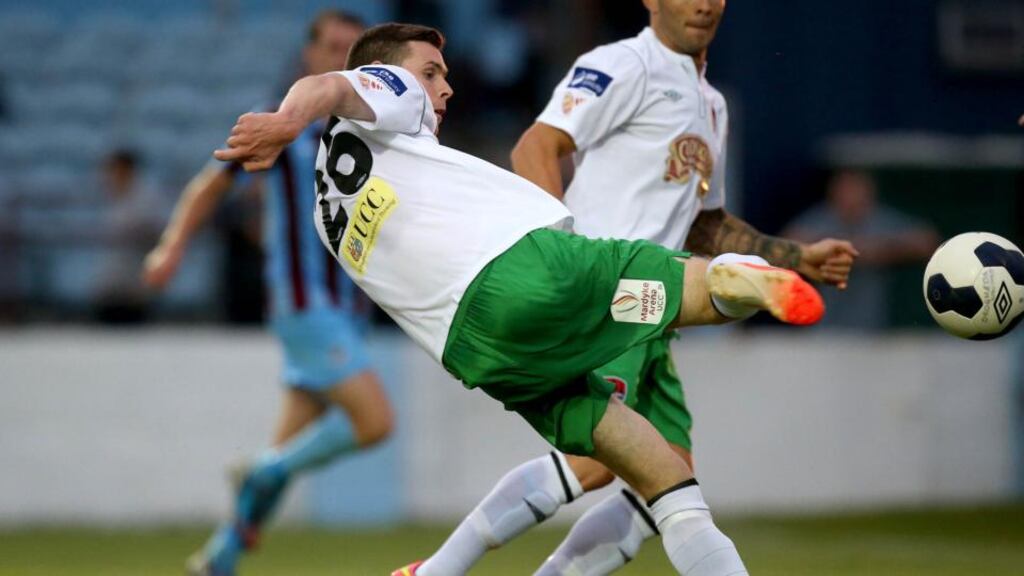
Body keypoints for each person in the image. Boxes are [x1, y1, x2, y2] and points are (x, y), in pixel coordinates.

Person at [217, 22, 830, 576]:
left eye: (444, 75)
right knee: (684, 288)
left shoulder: (331, 209)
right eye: (432, 73)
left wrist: (291, 127)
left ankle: (434, 573)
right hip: (524, 270)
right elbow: (325, 85)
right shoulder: (393, 94)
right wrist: (286, 121)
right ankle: (741, 284)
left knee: (664, 476)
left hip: (477, 347)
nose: (444, 88)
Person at [408, 1, 858, 574]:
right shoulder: (623, 65)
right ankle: (437, 570)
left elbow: (707, 223)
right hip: (612, 295)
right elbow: (535, 148)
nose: (702, 3)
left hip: (660, 311)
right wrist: (560, 256)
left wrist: (797, 257)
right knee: (602, 458)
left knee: (668, 474)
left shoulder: (713, 106)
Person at [141, 11, 394, 576]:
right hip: (306, 305)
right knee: (374, 423)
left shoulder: (371, 130)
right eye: (330, 47)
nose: (338, 58)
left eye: (351, 51)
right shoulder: (283, 124)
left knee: (292, 446)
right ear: (307, 55)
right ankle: (260, 468)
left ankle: (219, 558)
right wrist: (172, 245)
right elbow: (212, 183)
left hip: (346, 309)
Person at [784, 169, 938, 330]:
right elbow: (787, 245)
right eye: (845, 190)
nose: (850, 197)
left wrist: (882, 251)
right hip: (824, 328)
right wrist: (831, 253)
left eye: (856, 189)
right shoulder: (821, 219)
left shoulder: (881, 220)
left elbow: (926, 241)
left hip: (873, 328)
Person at [96, 149, 165, 324]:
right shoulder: (110, 198)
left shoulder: (147, 198)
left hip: (135, 281)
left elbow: (156, 232)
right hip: (112, 282)